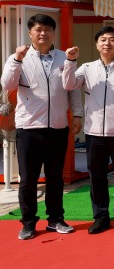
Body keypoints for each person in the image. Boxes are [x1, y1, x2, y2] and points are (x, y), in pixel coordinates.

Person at [2, 14, 83, 240]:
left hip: (58, 127)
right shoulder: (19, 57)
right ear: (30, 33)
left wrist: (77, 114)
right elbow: (7, 84)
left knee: (55, 177)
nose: (43, 33)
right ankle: (28, 223)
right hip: (29, 128)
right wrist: (17, 60)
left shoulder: (64, 57)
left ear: (53, 32)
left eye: (47, 29)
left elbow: (72, 89)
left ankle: (55, 219)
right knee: (28, 179)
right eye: (38, 29)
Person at [62, 26, 114, 234]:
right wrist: (70, 61)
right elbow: (69, 84)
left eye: (112, 39)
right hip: (94, 132)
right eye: (103, 39)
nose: (107, 43)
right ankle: (101, 217)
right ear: (97, 44)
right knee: (96, 176)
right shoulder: (87, 68)